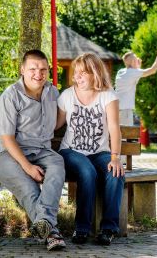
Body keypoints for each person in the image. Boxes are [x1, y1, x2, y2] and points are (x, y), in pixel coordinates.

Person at [0, 49, 66, 251]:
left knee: (58, 164)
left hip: (42, 150)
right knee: (30, 188)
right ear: (22, 70)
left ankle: (45, 225)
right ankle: (52, 232)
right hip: (9, 154)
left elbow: (58, 122)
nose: (38, 74)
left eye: (43, 69)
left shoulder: (52, 92)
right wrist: (28, 167)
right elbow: (7, 138)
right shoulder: (10, 96)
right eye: (33, 69)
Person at [56, 53, 125, 246]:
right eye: (76, 73)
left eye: (83, 73)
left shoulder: (108, 96)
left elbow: (114, 129)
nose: (77, 77)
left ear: (95, 73)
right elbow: (55, 124)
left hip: (99, 153)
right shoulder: (67, 96)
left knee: (116, 172)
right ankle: (82, 228)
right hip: (70, 152)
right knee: (87, 171)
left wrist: (115, 157)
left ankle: (108, 228)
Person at [115, 45, 157, 126]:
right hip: (125, 109)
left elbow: (134, 77)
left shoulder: (121, 72)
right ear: (132, 62)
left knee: (117, 135)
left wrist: (137, 67)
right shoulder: (133, 72)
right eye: (136, 59)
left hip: (116, 108)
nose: (138, 59)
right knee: (125, 135)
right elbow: (153, 70)